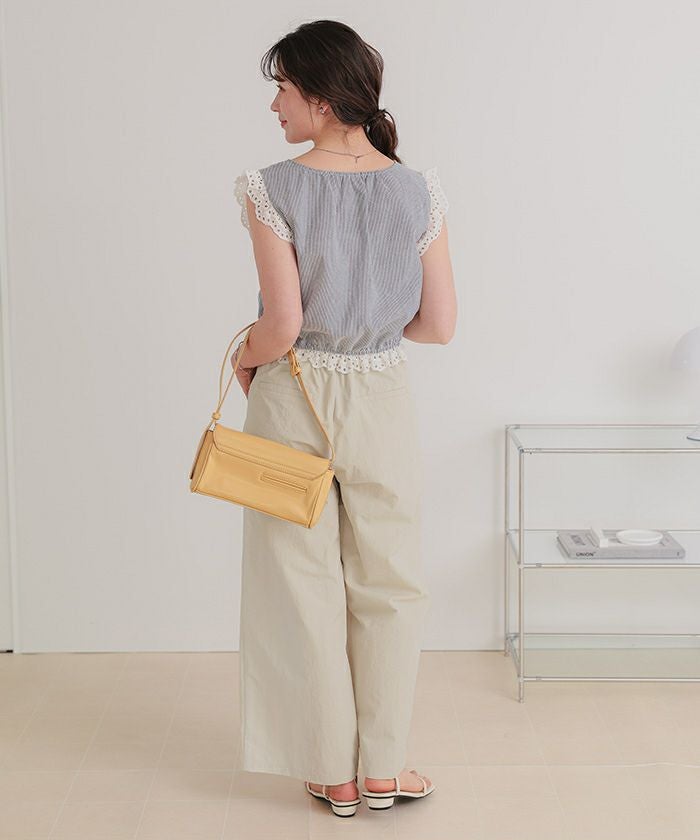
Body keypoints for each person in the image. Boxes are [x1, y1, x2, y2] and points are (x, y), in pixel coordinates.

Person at [230, 19, 456, 818]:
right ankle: (385, 767)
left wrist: (243, 355)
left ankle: (335, 773)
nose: (275, 106)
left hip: (292, 395)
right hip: (383, 397)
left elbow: (283, 324)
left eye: (283, 90)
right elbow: (439, 326)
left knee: (300, 582)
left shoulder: (268, 187)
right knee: (391, 583)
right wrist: (371, 322)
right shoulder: (418, 188)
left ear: (321, 99)